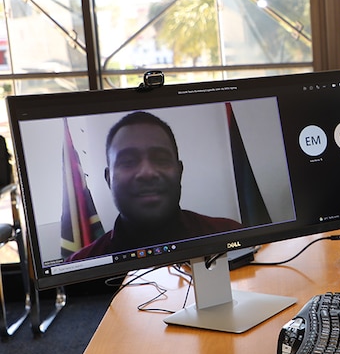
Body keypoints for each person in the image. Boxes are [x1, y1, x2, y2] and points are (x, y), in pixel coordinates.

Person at [69, 111, 241, 260]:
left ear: (179, 172)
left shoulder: (230, 235)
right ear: (108, 179)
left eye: (161, 160)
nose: (147, 173)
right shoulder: (79, 267)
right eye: (128, 162)